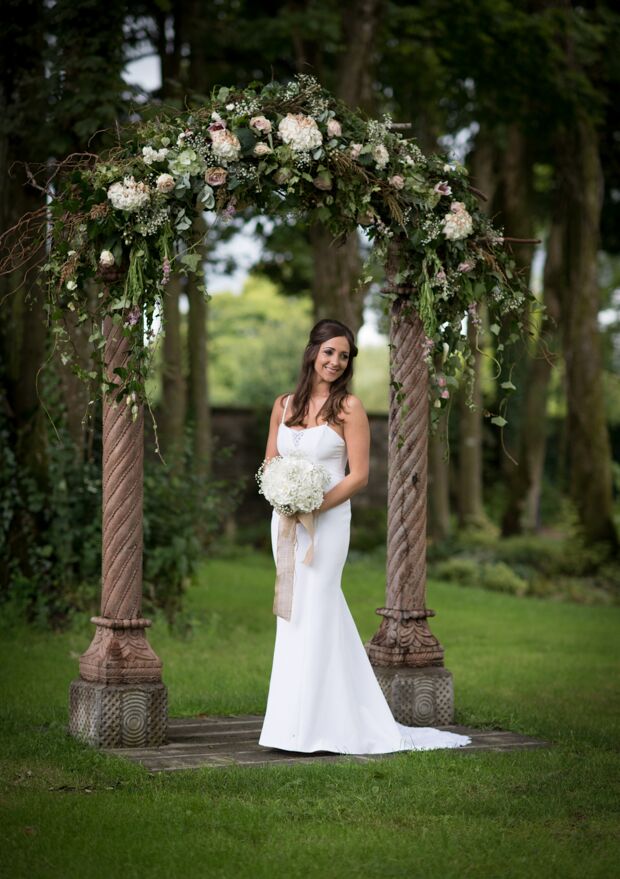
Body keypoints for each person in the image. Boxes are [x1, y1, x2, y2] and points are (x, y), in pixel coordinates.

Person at [258, 318, 471, 754]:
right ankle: (289, 724)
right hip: (285, 522)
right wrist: (284, 498)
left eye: (344, 355)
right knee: (294, 615)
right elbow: (270, 464)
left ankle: (320, 726)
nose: (335, 361)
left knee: (318, 607)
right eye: (329, 351)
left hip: (328, 522)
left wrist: (315, 504)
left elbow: (359, 476)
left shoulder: (348, 408)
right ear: (312, 350)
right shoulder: (283, 405)